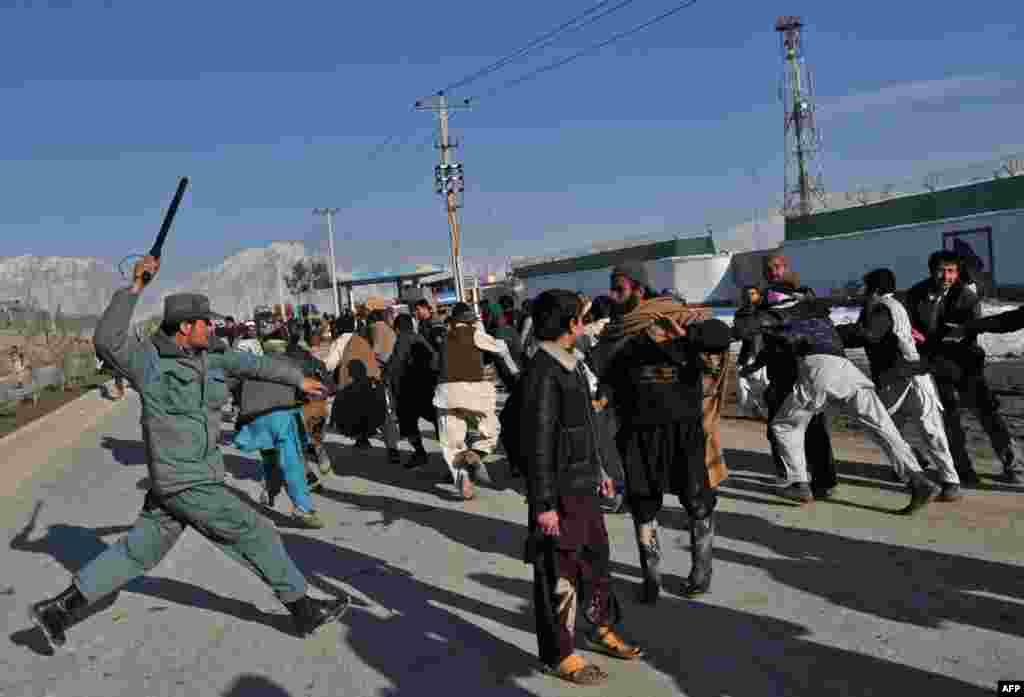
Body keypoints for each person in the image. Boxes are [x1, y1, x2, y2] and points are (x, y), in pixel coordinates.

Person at [29, 257, 347, 651]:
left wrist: (299, 378)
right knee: (257, 531)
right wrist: (134, 289)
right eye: (204, 323)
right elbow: (107, 340)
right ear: (185, 327)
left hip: (181, 483)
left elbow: (256, 364)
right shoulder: (149, 363)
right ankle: (303, 610)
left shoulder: (211, 357)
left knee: (135, 554)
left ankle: (58, 610)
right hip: (186, 480)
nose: (211, 327)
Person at [520, 289, 643, 685]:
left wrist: (602, 469)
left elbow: (584, 426)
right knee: (560, 574)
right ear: (570, 324)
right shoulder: (542, 371)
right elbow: (538, 441)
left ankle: (600, 625)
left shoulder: (570, 364)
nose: (584, 323)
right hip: (558, 492)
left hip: (584, 483)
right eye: (581, 317)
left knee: (597, 562)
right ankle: (561, 653)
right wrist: (543, 504)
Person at [601, 264, 733, 603]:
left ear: (640, 290)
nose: (613, 295)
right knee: (643, 505)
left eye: (619, 288)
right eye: (612, 289)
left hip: (682, 429)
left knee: (697, 500)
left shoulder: (677, 316)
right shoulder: (616, 332)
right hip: (636, 433)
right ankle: (651, 577)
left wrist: (685, 336)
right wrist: (643, 341)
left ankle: (702, 571)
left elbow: (720, 335)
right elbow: (606, 367)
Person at [906, 250, 1023, 485]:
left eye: (951, 271)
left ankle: (1015, 466)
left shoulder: (965, 296)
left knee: (988, 414)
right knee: (949, 419)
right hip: (934, 365)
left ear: (957, 273)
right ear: (931, 271)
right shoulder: (916, 294)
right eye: (941, 271)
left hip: (966, 364)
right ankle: (962, 469)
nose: (946, 277)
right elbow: (909, 325)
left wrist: (958, 334)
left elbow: (972, 329)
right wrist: (916, 338)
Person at [733, 255, 838, 498]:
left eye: (778, 268)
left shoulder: (804, 294)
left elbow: (822, 319)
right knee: (781, 428)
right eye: (769, 270)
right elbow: (749, 328)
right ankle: (792, 478)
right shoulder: (762, 299)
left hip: (805, 366)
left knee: (810, 426)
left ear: (787, 268)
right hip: (779, 370)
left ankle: (821, 481)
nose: (774, 273)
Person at [234, 337, 326, 529]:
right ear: (282, 349)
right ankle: (303, 509)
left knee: (268, 456)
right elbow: (303, 390)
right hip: (280, 417)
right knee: (292, 461)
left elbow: (237, 390)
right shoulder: (291, 364)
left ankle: (270, 491)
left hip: (255, 419)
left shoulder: (253, 365)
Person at [434, 302, 519, 500]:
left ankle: (463, 477)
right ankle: (477, 453)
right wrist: (513, 368)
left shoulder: (446, 338)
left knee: (451, 442)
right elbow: (500, 347)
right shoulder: (475, 333)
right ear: (471, 321)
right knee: (491, 431)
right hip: (474, 393)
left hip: (446, 393)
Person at [388, 314, 439, 469]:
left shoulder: (402, 339)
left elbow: (395, 366)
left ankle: (420, 453)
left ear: (396, 329)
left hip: (410, 390)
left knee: (408, 423)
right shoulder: (420, 338)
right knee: (437, 420)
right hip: (428, 387)